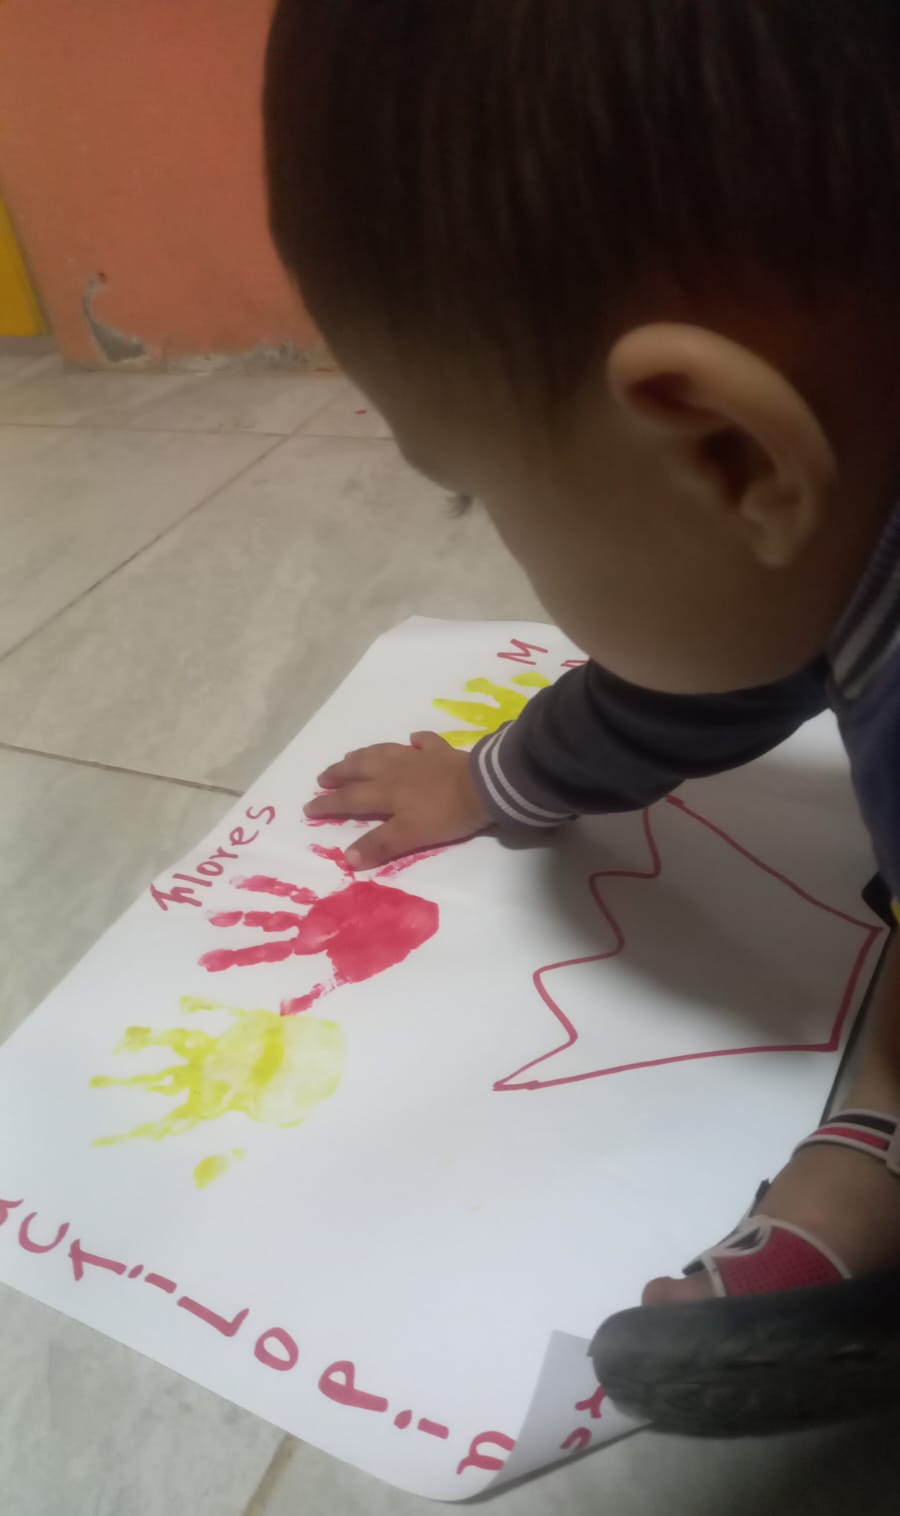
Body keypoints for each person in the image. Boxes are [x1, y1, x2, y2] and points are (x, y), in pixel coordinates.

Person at [264, 0, 900, 1433]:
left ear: (725, 450)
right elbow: (722, 671)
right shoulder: (843, 516)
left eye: (474, 494)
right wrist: (493, 781)